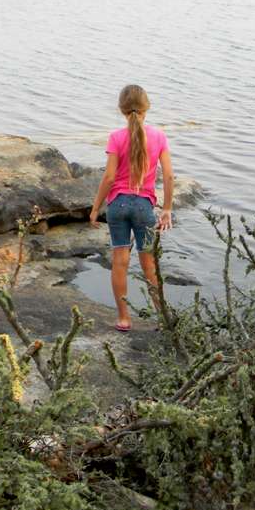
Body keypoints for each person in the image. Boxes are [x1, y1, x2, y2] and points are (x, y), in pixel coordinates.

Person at [89, 84, 174, 331]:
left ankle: (124, 319)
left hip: (117, 205)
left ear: (121, 109)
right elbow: (169, 176)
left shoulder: (116, 137)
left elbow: (109, 177)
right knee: (149, 264)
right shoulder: (158, 136)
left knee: (120, 261)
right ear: (147, 107)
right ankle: (164, 319)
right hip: (144, 207)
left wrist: (95, 208)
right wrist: (167, 209)